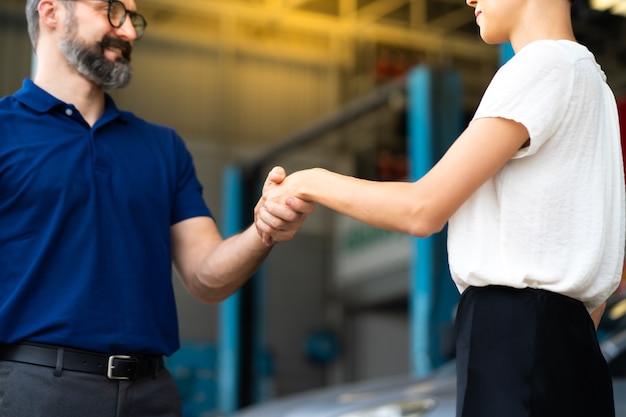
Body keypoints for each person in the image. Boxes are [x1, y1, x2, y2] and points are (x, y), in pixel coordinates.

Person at [255, 0, 626, 414]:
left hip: (515, 338)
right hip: (575, 349)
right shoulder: (595, 85)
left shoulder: (542, 65)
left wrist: (309, 181)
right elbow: (593, 288)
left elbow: (423, 208)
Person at [0, 0, 313, 416]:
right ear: (51, 12)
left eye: (133, 18)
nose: (128, 31)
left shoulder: (163, 147)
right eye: (111, 10)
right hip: (35, 392)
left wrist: (263, 231)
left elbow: (207, 278)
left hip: (152, 395)